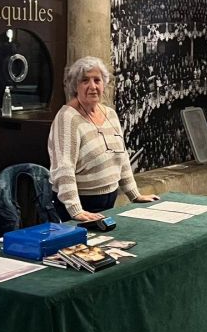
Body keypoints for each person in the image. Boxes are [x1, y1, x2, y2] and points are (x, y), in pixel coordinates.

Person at [48, 56, 159, 222]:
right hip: (79, 206)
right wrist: (75, 210)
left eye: (97, 80)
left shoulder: (111, 114)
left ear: (104, 84)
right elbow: (64, 168)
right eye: (85, 80)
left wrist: (135, 195)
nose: (92, 86)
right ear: (75, 86)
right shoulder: (67, 118)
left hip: (109, 202)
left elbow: (122, 158)